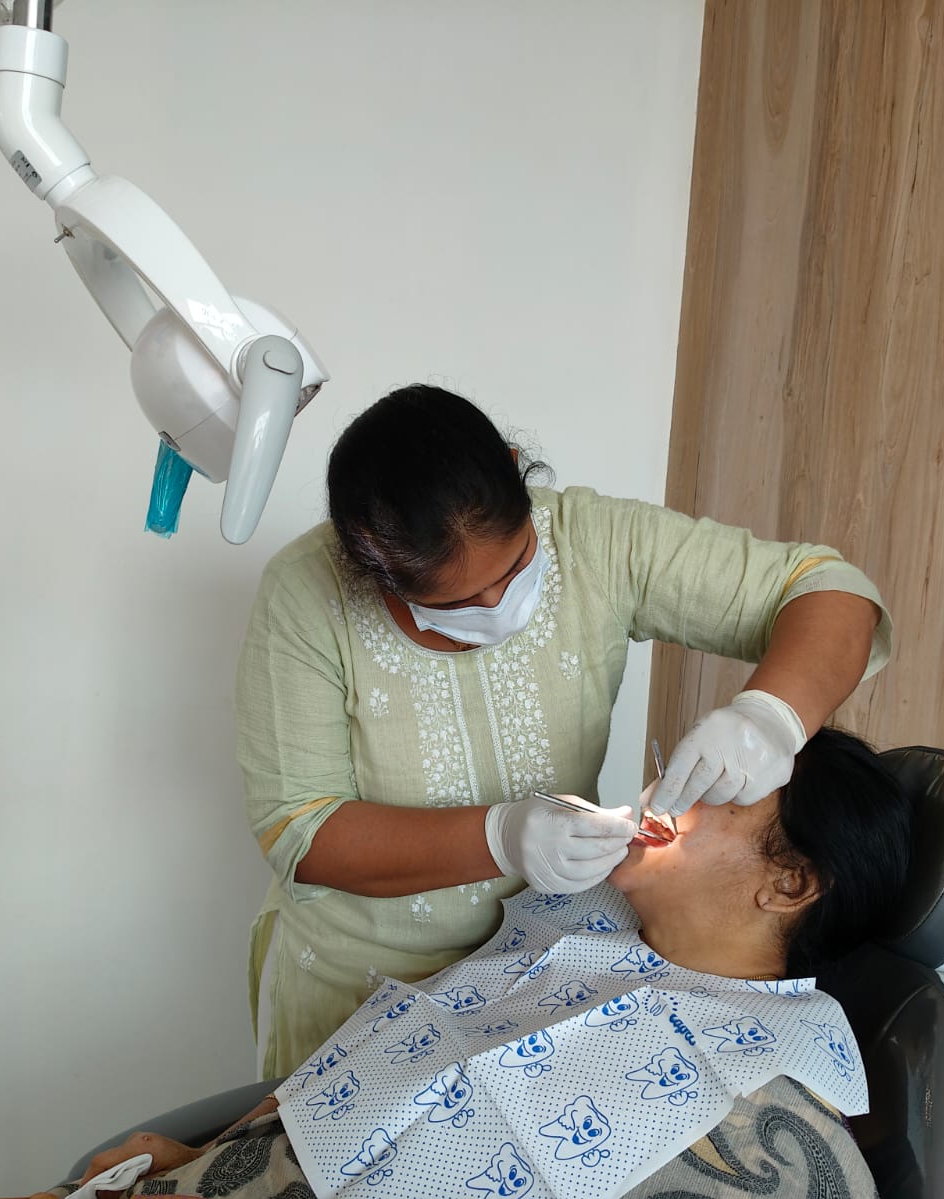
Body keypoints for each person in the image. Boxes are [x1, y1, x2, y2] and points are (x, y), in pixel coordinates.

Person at [237, 386, 892, 1075]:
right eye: (456, 602)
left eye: (515, 567)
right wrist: (498, 837)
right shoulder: (305, 596)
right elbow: (301, 831)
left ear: (516, 469)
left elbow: (832, 590)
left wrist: (772, 713)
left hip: (543, 965)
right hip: (361, 1000)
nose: (496, 606)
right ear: (370, 572)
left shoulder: (592, 543)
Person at [20, 726, 911, 1199]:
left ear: (791, 882)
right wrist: (207, 1147)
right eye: (678, 769)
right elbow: (380, 1056)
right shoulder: (573, 921)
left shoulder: (771, 1106)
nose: (660, 794)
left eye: (716, 793)